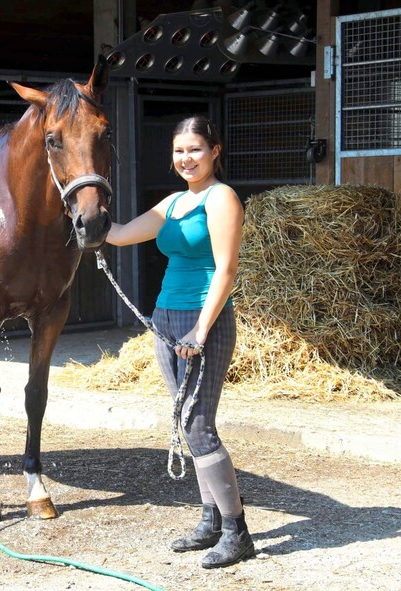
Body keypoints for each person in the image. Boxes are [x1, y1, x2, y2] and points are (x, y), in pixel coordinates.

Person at [105, 116, 254, 568]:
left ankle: (237, 531)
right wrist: (80, 199)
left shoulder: (221, 198)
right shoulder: (172, 203)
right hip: (165, 318)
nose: (185, 159)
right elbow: (117, 235)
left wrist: (200, 330)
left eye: (194, 149)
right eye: (178, 151)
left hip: (201, 320)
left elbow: (226, 271)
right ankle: (211, 520)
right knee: (188, 421)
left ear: (214, 151)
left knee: (199, 425)